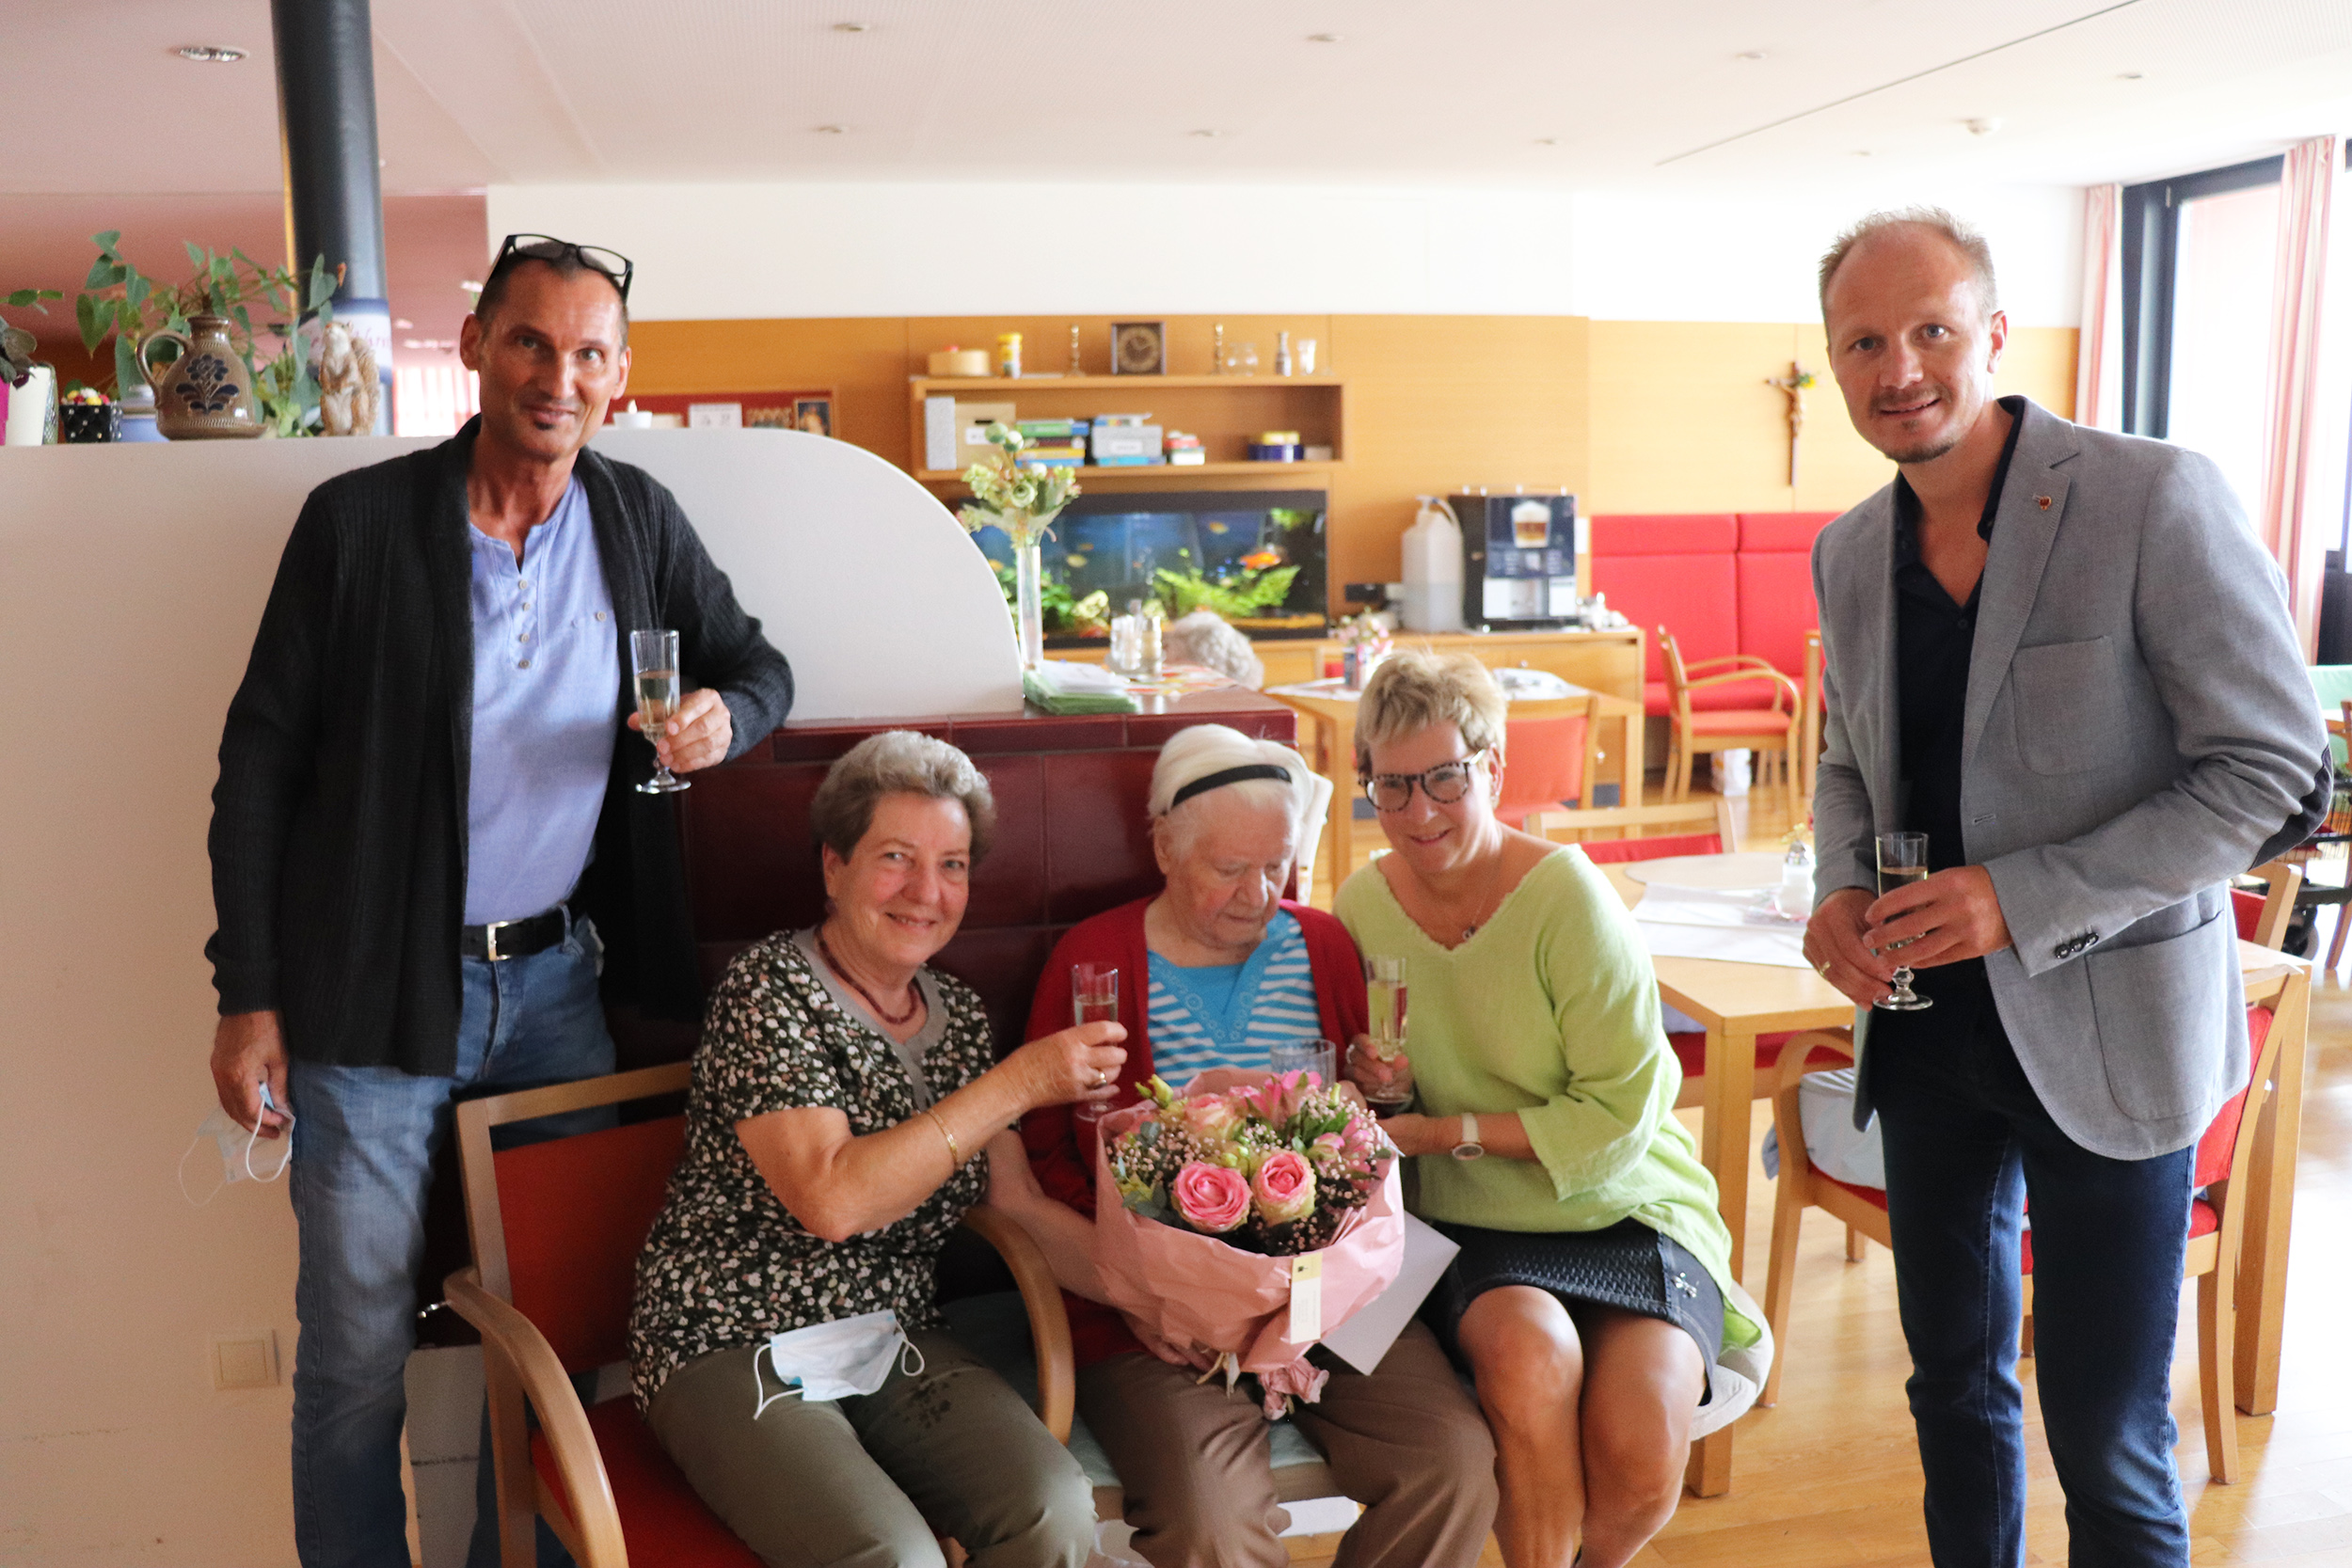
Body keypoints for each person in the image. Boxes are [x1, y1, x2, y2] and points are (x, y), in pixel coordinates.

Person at [204, 234, 795, 1568]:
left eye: (589, 352)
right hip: (370, 993)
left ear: (621, 374)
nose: (557, 376)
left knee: (558, 1339)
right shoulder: (358, 524)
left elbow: (759, 664)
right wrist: (248, 996)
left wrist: (725, 715)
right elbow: (257, 770)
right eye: (531, 340)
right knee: (357, 1351)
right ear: (475, 346)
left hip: (554, 992)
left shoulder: (637, 519)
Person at [1801, 208, 2329, 1568]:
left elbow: (2277, 772)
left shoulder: (2150, 497)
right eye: (1863, 341)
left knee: (2106, 1432)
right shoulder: (1849, 549)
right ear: (1832, 358)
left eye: (1930, 330)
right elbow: (1848, 756)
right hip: (1922, 1032)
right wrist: (1839, 885)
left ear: (1993, 333)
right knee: (1951, 1391)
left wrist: (2020, 895)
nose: (1898, 368)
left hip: (2115, 1035)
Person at [998, 724, 1498, 1568]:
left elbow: (1363, 1127)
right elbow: (1048, 1161)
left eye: (1276, 865)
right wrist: (1138, 1291)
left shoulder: (1322, 944)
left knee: (1452, 1466)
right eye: (1230, 868)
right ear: (1165, 847)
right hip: (1156, 1314)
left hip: (1330, 1295)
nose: (1258, 893)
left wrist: (1383, 1091)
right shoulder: (1095, 960)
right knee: (1212, 1521)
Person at [629, 731, 1115, 1568]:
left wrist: (1162, 1296)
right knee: (896, 1557)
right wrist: (1022, 1081)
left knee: (1054, 1509)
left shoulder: (958, 1013)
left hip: (892, 1333)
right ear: (834, 865)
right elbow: (833, 1201)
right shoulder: (768, 991)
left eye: (953, 864)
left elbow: (1018, 1206)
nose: (927, 891)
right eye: (896, 857)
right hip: (730, 1336)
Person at [1332, 651, 1749, 1568]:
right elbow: (1369, 1095)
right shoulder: (1362, 904)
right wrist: (1377, 1083)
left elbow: (1619, 1114)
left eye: (1444, 777)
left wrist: (1441, 1131)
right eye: (1391, 785)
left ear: (1492, 767)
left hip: (1626, 1203)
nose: (1419, 811)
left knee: (1642, 1449)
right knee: (1529, 1362)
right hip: (1473, 1217)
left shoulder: (1568, 896)